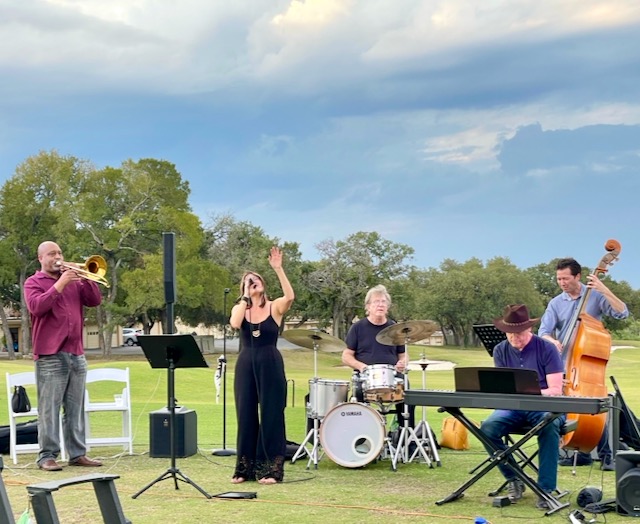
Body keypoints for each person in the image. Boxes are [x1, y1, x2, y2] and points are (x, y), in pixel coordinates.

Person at [538, 257, 629, 470]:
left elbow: (622, 312)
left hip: (585, 364)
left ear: (578, 276)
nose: (562, 283)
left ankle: (607, 455)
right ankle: (578, 452)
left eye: (566, 278)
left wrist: (603, 289)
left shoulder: (595, 297)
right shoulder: (556, 303)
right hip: (562, 364)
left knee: (594, 408)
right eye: (559, 279)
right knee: (562, 409)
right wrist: (552, 340)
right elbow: (543, 332)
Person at [23, 241, 104, 471]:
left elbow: (95, 301)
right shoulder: (33, 282)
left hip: (76, 352)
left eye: (59, 252)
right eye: (52, 254)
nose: (57, 257)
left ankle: (77, 453)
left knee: (75, 408)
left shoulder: (73, 280)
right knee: (49, 409)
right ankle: (47, 455)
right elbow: (37, 307)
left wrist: (87, 277)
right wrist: (60, 283)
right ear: (41, 258)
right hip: (50, 354)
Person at [480, 304, 564, 510]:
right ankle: (514, 478)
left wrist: (531, 392)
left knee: (548, 424)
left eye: (519, 333)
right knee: (488, 427)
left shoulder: (547, 348)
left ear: (530, 329)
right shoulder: (500, 350)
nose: (514, 338)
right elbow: (503, 386)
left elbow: (555, 389)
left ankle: (545, 489)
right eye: (510, 334)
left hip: (544, 405)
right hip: (513, 407)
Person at [229, 246, 294, 485]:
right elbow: (235, 324)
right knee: (245, 414)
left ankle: (271, 470)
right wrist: (245, 297)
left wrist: (278, 269)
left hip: (270, 362)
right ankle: (244, 469)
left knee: (271, 415)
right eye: (249, 281)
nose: (254, 282)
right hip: (246, 363)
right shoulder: (240, 308)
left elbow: (290, 297)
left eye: (256, 279)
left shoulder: (274, 307)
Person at [342, 285, 416, 435]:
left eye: (383, 302)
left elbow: (403, 354)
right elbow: (346, 355)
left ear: (387, 306)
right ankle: (362, 436)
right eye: (376, 302)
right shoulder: (357, 327)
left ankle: (406, 438)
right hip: (365, 377)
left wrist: (403, 363)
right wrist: (361, 366)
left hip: (392, 376)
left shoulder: (395, 328)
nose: (380, 305)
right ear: (368, 306)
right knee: (357, 398)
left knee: (409, 394)